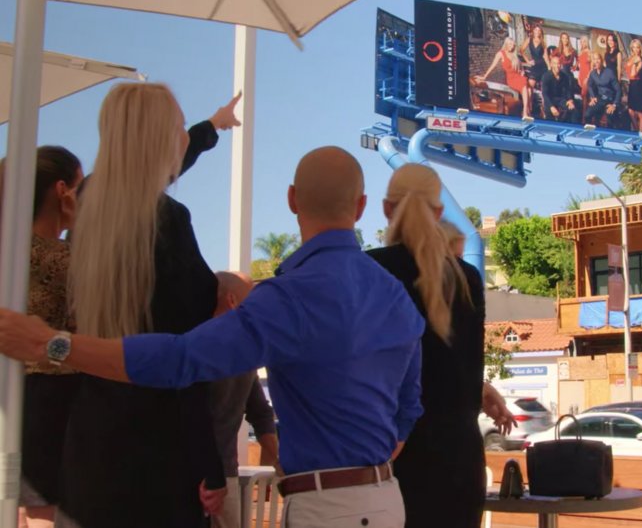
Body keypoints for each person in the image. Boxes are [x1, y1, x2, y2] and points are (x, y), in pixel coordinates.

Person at [0, 146, 426, 528]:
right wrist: (363, 471)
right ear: (362, 206)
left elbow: (180, 359)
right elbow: (408, 408)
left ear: (292, 199)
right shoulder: (396, 295)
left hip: (327, 506)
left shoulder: (289, 298)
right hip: (387, 498)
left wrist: (52, 343)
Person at [56, 83, 242, 528]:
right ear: (159, 139)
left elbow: (145, 178)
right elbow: (185, 358)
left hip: (91, 443)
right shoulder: (170, 221)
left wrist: (212, 126)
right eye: (178, 125)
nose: (183, 134)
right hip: (160, 449)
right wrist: (209, 465)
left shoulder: (89, 205)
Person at [367, 164, 486, 528]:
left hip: (393, 457)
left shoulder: (370, 270)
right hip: (462, 460)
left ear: (387, 208)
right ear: (438, 212)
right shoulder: (467, 278)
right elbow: (456, 369)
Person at [0, 146, 82, 528]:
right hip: (54, 396)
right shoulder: (71, 259)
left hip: (12, 392)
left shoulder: (9, 255)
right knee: (46, 515)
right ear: (63, 189)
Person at [208, 271, 280, 528]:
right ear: (232, 300)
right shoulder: (244, 355)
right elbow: (261, 414)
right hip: (221, 477)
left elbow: (261, 414)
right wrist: (276, 461)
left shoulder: (192, 346)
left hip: (188, 475)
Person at [476, 37, 530, 118]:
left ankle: (526, 111)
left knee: (529, 90)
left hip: (518, 76)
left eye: (513, 45)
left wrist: (522, 71)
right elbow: (493, 65)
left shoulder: (514, 55)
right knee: (525, 86)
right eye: (510, 44)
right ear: (506, 44)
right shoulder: (501, 53)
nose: (512, 47)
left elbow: (521, 66)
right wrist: (484, 76)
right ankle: (525, 112)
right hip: (511, 79)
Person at [540, 47, 581, 124]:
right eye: (555, 63)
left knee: (573, 111)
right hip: (550, 101)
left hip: (560, 100)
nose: (557, 65)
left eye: (558, 63)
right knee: (550, 121)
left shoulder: (564, 76)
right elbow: (545, 94)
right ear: (551, 65)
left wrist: (569, 100)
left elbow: (567, 90)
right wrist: (551, 107)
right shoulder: (546, 76)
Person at [585, 51, 624, 128]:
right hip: (600, 98)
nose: (596, 61)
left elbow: (618, 90)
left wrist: (614, 104)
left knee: (610, 117)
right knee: (587, 114)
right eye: (594, 59)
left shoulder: (609, 72)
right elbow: (589, 85)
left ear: (602, 60)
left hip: (610, 99)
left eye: (598, 59)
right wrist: (592, 97)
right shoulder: (593, 73)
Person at [625, 38, 642, 133]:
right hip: (632, 85)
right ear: (631, 48)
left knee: (640, 113)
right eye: (634, 47)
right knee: (630, 111)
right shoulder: (630, 58)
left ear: (640, 49)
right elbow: (628, 73)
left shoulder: (640, 59)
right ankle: (637, 131)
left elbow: (633, 74)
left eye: (638, 48)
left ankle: (640, 133)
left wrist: (634, 65)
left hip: (639, 86)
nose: (636, 50)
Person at [577, 38, 592, 106]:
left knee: (585, 94)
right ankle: (585, 113)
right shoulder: (580, 52)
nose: (583, 43)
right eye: (581, 42)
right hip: (581, 75)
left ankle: (585, 114)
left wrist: (588, 76)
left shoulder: (590, 52)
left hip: (587, 75)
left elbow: (592, 67)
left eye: (584, 41)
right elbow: (580, 66)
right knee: (584, 96)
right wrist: (579, 77)